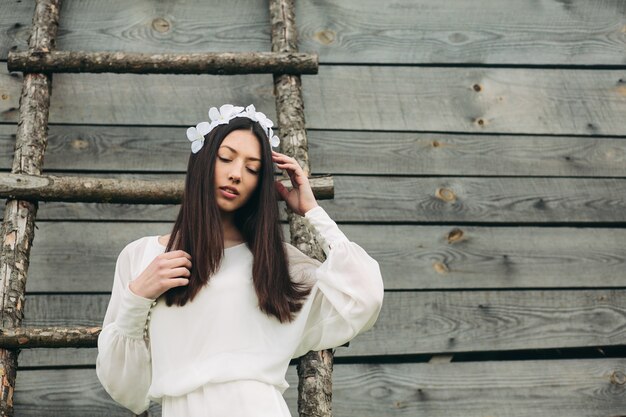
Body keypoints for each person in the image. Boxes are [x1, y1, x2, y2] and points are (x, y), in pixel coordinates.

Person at [95, 104, 385, 416]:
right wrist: (137, 297)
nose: (236, 174)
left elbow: (365, 298)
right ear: (204, 162)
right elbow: (126, 389)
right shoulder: (142, 258)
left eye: (252, 169)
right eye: (226, 158)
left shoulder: (276, 265)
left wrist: (313, 212)